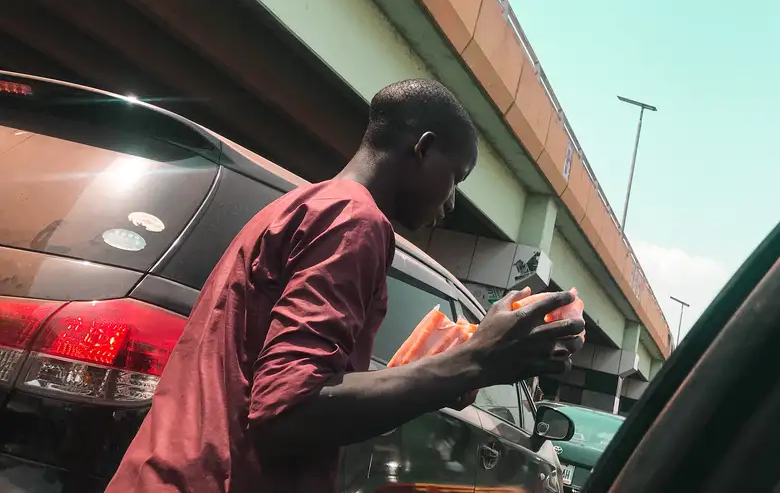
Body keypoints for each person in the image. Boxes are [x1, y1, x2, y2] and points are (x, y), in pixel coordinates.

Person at [106, 78, 585, 493]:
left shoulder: (304, 205)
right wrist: (477, 362)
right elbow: (286, 412)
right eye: (455, 177)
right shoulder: (355, 221)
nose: (453, 200)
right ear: (422, 148)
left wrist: (450, 371)